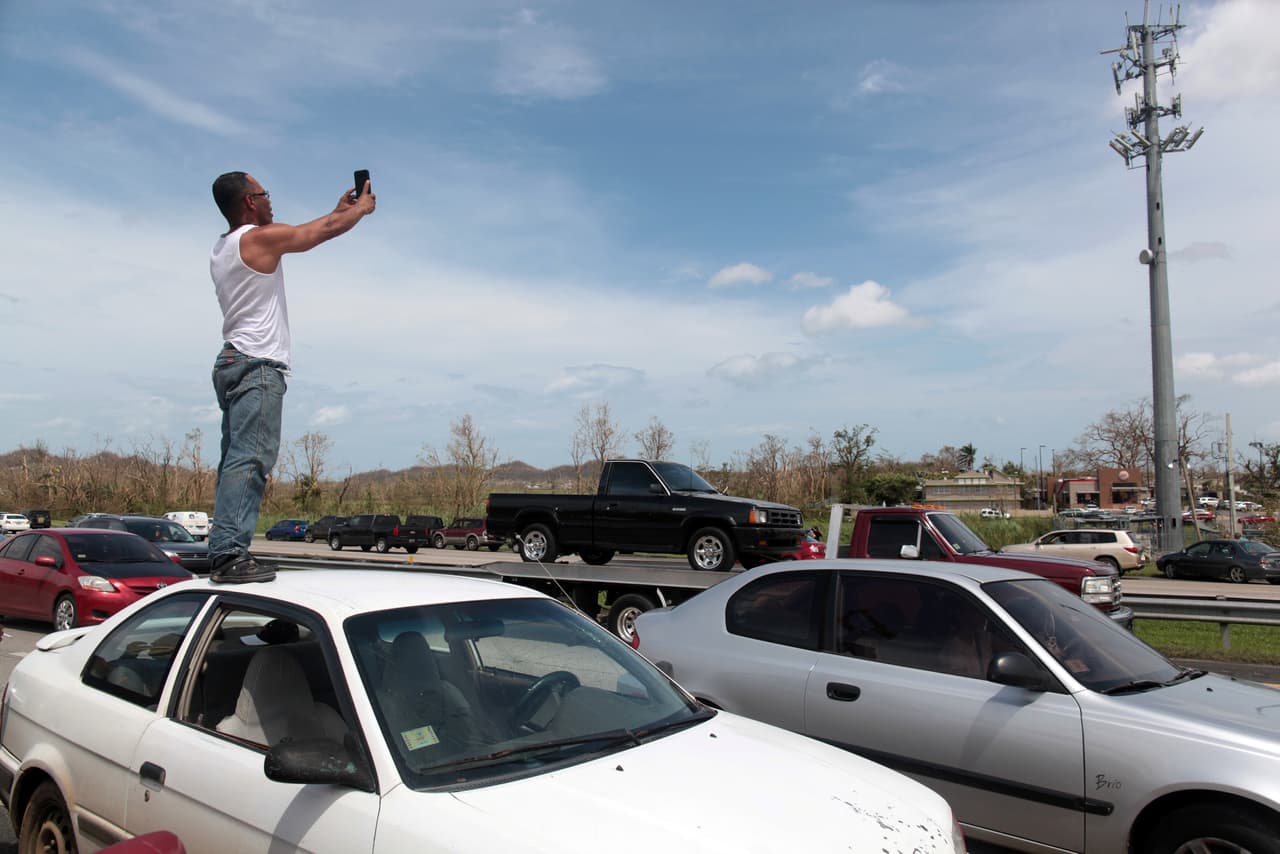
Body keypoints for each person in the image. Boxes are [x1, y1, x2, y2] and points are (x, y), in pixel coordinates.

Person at [206, 172, 376, 583]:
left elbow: (321, 222)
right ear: (250, 201)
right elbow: (320, 231)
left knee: (234, 460)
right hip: (257, 365)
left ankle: (223, 548)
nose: (270, 201)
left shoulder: (222, 247)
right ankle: (228, 554)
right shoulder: (257, 239)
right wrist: (359, 210)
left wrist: (339, 210)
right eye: (264, 194)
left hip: (232, 360)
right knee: (251, 459)